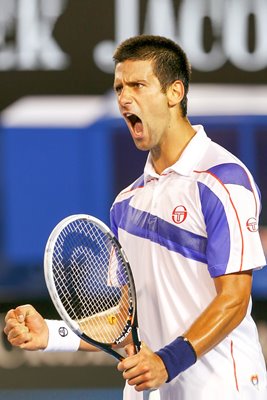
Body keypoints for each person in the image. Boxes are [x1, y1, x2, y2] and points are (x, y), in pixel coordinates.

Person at [4, 35, 267, 400]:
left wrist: (167, 361)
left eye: (138, 85)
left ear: (175, 93)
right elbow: (127, 322)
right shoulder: (125, 204)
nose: (124, 98)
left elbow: (235, 299)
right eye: (119, 88)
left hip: (223, 388)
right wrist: (52, 335)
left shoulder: (222, 179)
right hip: (152, 390)